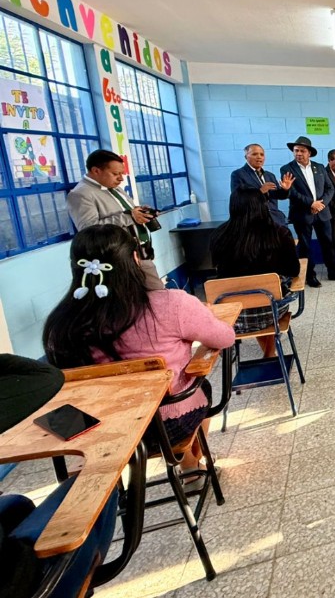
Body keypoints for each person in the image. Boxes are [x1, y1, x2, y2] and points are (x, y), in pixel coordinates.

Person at [43, 225, 235, 468]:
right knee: (200, 386)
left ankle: (187, 466)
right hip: (168, 425)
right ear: (135, 258)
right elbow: (225, 338)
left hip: (105, 433)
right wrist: (204, 317)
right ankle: (190, 466)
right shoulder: (171, 304)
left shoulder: (61, 324)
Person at [0, 356, 120, 598]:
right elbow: (47, 378)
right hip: (20, 585)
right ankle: (80, 584)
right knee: (101, 485)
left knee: (17, 507)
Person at [211, 187, 300, 357]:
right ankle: (269, 354)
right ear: (263, 205)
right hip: (270, 312)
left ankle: (263, 353)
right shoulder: (279, 233)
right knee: (268, 295)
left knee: (257, 295)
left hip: (232, 316)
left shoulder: (218, 235)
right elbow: (293, 270)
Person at [67, 149, 164, 290]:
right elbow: (88, 229)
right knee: (137, 298)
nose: (120, 179)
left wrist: (139, 211)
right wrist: (129, 217)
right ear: (96, 171)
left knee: (158, 294)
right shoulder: (81, 194)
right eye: (115, 174)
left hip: (140, 252)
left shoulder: (114, 188)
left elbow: (124, 212)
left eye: (121, 174)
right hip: (119, 259)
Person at [280, 136, 335, 286]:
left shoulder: (319, 167)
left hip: (322, 213)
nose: (298, 153)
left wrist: (321, 204)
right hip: (302, 214)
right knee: (305, 246)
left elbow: (330, 188)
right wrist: (311, 203)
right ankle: (309, 275)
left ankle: (333, 271)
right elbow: (291, 192)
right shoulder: (287, 169)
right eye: (296, 150)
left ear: (309, 153)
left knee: (329, 243)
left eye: (302, 151)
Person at [229, 143, 295, 227]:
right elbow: (237, 200)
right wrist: (260, 192)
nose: (259, 157)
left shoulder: (269, 175)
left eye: (262, 154)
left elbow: (278, 196)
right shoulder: (238, 174)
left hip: (275, 219)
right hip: (253, 221)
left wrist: (285, 189)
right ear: (246, 157)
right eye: (254, 154)